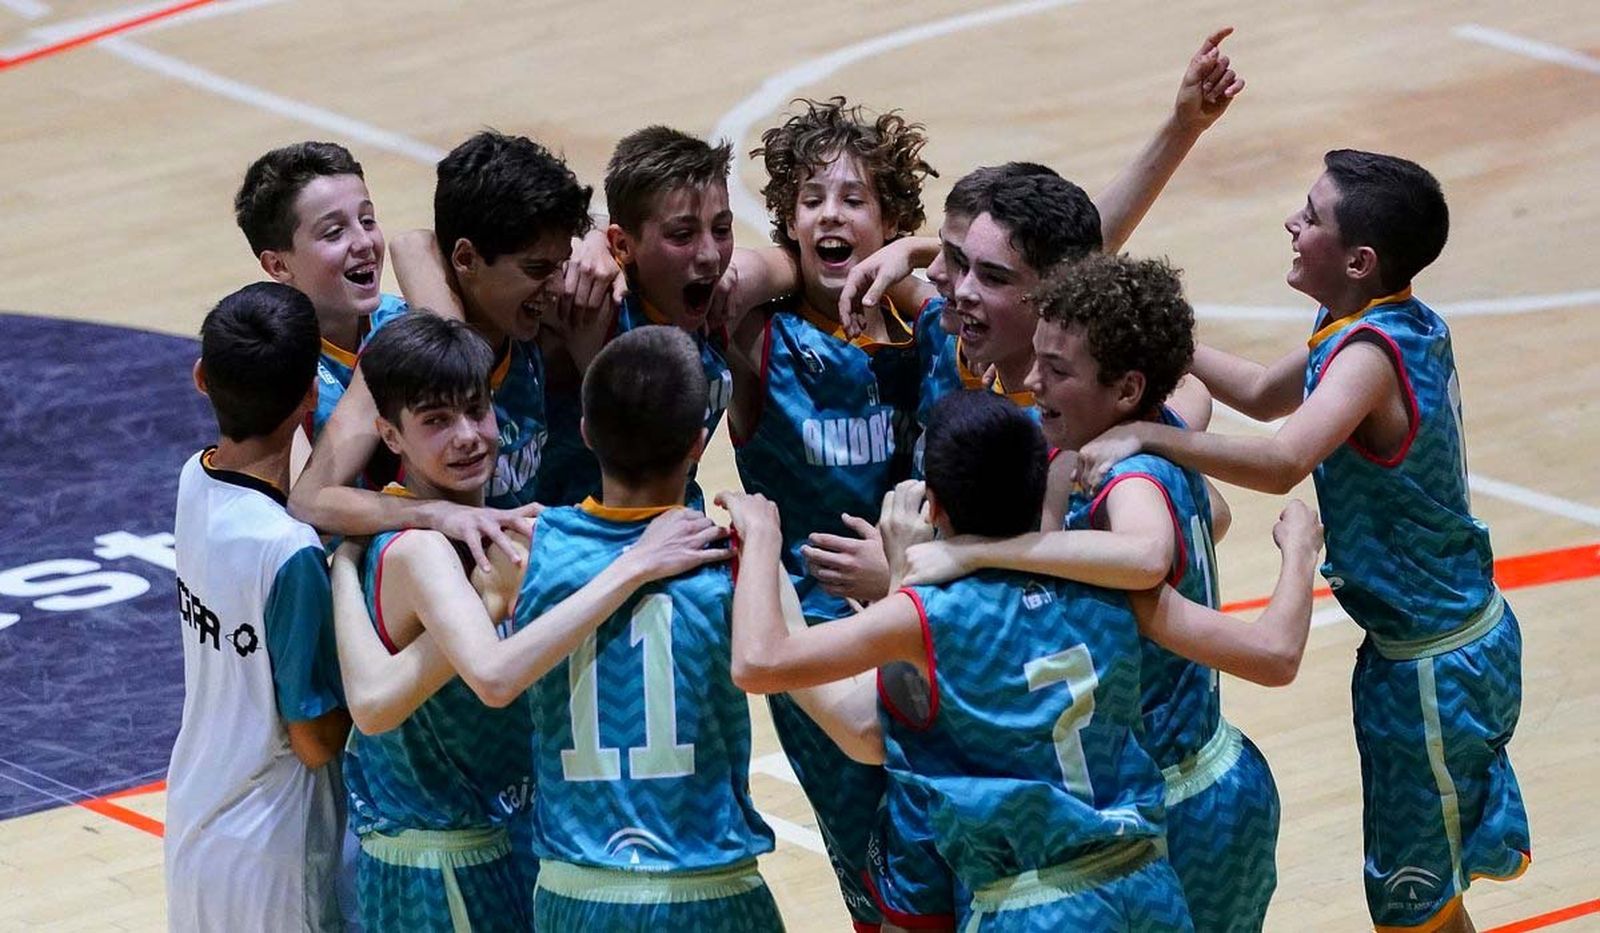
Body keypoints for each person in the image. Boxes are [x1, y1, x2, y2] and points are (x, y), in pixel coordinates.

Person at [1075, 150, 1529, 932]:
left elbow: (1284, 458)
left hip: (1434, 663)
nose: (1292, 222)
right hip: (1422, 653)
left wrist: (1149, 431)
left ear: (1358, 259)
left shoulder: (1366, 357)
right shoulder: (1365, 322)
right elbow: (1254, 391)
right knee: (1421, 899)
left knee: (1410, 905)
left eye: (1311, 216)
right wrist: (1145, 340)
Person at [723, 390, 1325, 930]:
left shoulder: (930, 614)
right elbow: (1255, 622)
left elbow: (763, 662)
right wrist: (1297, 552)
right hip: (1146, 885)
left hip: (1034, 904)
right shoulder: (1110, 582)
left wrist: (766, 545)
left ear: (932, 507)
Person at [906, 253, 1280, 930]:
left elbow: (1144, 554)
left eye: (1057, 370)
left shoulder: (1130, 476)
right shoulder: (1154, 433)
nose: (1031, 379)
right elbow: (1211, 509)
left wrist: (985, 549)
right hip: (1203, 775)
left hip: (1177, 796)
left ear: (1127, 389)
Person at [327, 313, 730, 930]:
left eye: (476, 410)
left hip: (495, 840)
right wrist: (634, 566)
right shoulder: (421, 549)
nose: (467, 436)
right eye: (436, 421)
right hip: (440, 860)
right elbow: (489, 678)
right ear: (391, 435)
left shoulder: (481, 527)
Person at [515, 326, 784, 930]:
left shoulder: (523, 552)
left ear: (584, 433)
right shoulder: (739, 560)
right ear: (698, 443)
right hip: (710, 893)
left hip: (578, 894)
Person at [289, 130, 595, 571]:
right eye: (537, 269)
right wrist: (436, 514)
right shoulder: (406, 351)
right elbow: (310, 499)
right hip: (428, 587)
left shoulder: (526, 320)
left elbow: (415, 243)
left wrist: (600, 240)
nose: (558, 286)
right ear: (466, 259)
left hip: (509, 575)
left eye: (561, 265)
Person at [165, 282, 350, 932]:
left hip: (195, 820)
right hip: (275, 851)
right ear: (310, 396)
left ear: (200, 378)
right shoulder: (289, 550)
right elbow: (315, 739)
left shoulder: (194, 478)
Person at [233, 141, 398, 443]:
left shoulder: (408, 321)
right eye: (335, 232)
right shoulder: (273, 371)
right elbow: (302, 491)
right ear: (278, 265)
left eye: (367, 220)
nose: (364, 242)